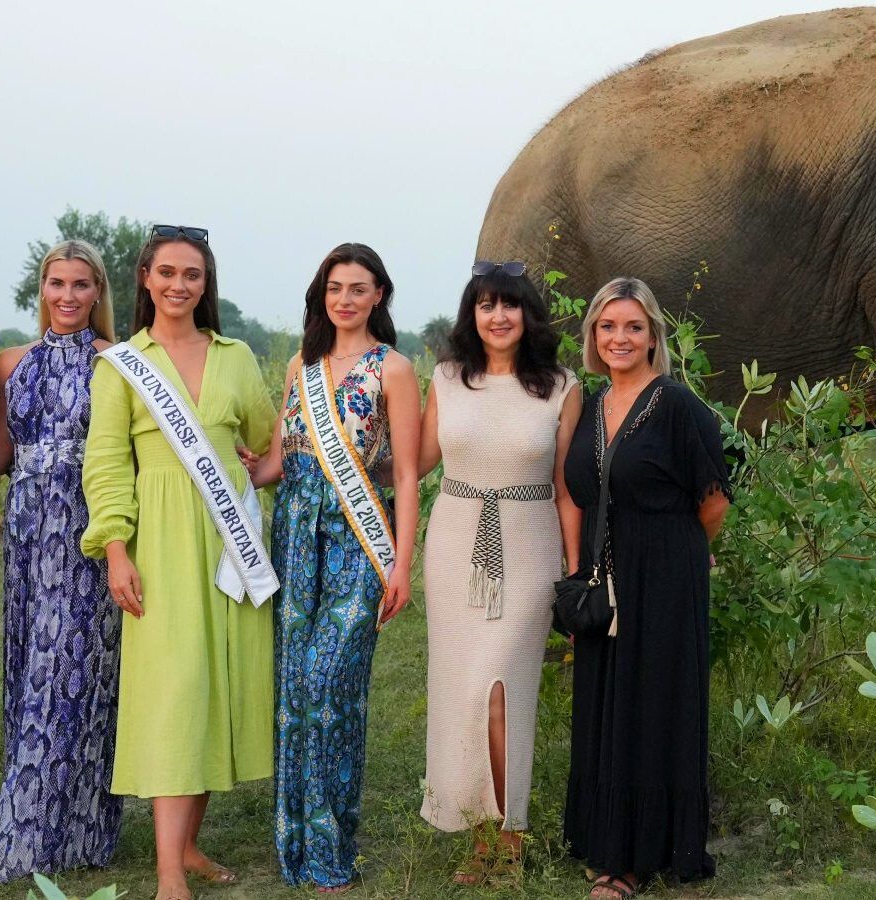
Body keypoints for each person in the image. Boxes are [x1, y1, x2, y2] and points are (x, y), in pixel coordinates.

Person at [80, 226, 278, 900]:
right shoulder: (120, 366)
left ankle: (189, 846)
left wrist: (249, 478)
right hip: (158, 543)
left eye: (192, 274)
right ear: (144, 277)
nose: (178, 285)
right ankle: (168, 874)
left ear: (205, 283)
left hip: (229, 547)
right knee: (174, 694)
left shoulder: (237, 356)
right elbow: (106, 465)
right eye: (167, 272)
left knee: (216, 686)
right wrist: (115, 551)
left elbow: (264, 436)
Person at [242, 242, 420, 893]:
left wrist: (402, 564)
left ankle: (330, 851)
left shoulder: (393, 370)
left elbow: (404, 472)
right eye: (335, 287)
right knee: (296, 697)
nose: (345, 298)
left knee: (329, 689)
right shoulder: (300, 365)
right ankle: (295, 847)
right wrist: (240, 466)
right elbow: (282, 460)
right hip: (295, 538)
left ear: (378, 296)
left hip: (356, 545)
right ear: (322, 295)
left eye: (358, 288)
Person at [562, 277, 731, 900]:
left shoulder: (678, 405)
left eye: (633, 327)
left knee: (650, 705)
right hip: (603, 578)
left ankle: (633, 861)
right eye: (608, 327)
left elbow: (713, 501)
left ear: (654, 335)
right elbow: (577, 488)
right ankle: (605, 837)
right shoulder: (588, 402)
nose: (620, 338)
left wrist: (681, 556)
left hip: (664, 573)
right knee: (606, 701)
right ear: (593, 337)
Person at [416, 260, 581, 886]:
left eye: (510, 305)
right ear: (473, 315)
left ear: (527, 315)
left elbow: (568, 488)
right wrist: (339, 458)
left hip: (529, 545)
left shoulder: (561, 386)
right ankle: (478, 836)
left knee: (504, 690)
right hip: (456, 542)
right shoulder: (449, 379)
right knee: (463, 690)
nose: (498, 316)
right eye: (486, 305)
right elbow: (421, 460)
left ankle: (508, 839)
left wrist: (576, 568)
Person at [0, 240, 121, 882]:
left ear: (99, 293)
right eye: (56, 284)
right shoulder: (11, 361)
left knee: (72, 673)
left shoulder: (117, 362)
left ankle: (47, 833)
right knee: (29, 663)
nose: (68, 296)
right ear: (42, 289)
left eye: (81, 285)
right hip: (28, 530)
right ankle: (54, 828)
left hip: (90, 529)